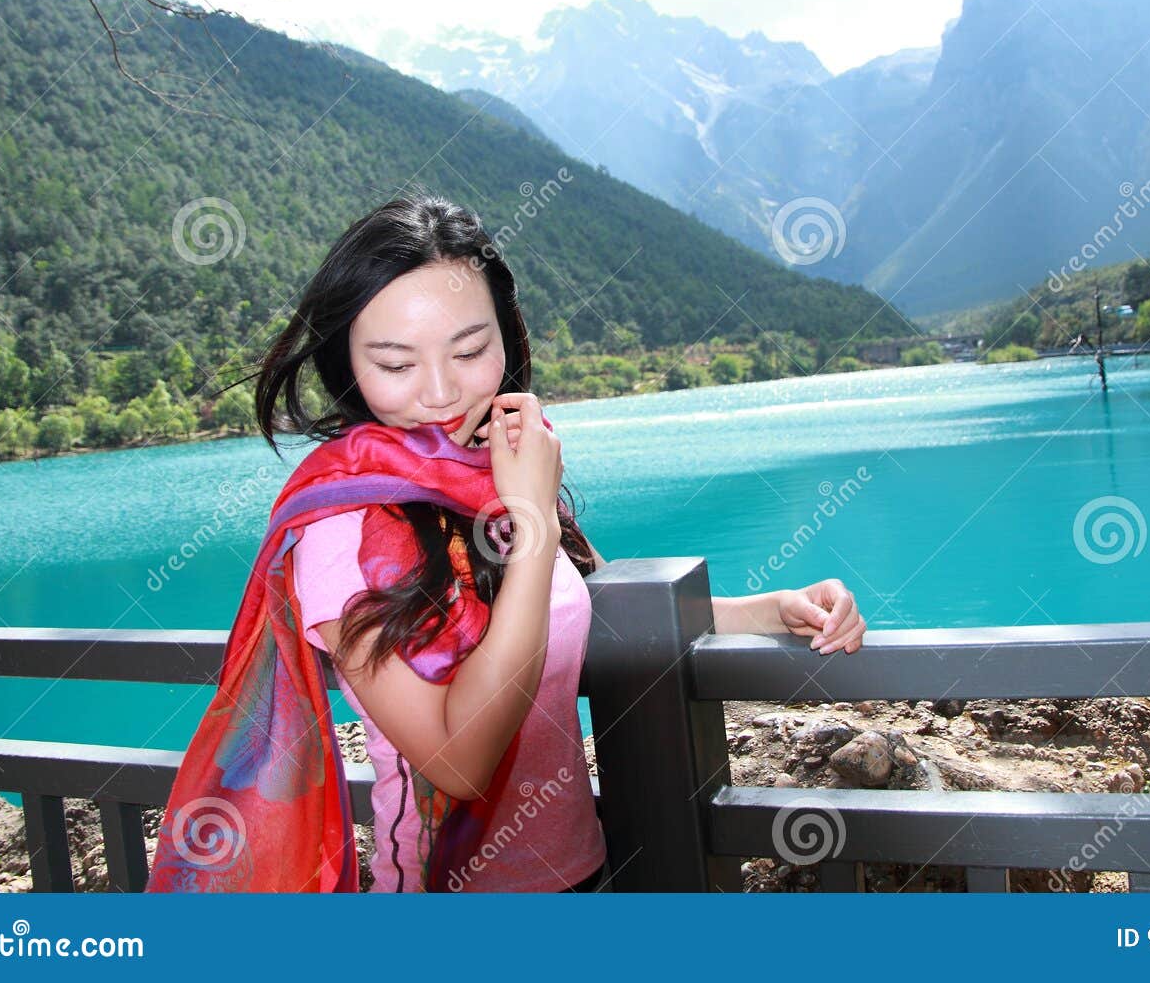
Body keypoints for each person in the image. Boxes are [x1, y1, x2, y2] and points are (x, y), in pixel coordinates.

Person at [150, 188, 867, 894]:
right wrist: (532, 521)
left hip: (585, 875)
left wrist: (772, 610)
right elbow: (460, 760)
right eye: (396, 364)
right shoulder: (340, 533)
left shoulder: (492, 472)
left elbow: (579, 609)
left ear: (507, 335)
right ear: (347, 364)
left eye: (469, 349)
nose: (439, 392)